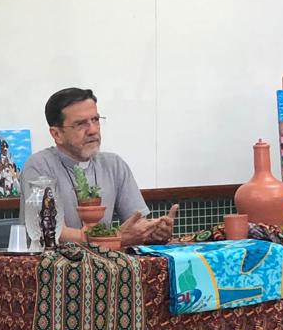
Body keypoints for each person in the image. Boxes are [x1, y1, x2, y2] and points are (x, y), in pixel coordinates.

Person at [19, 87, 178, 246]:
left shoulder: (114, 165)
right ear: (57, 134)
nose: (93, 130)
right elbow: (51, 231)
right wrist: (115, 237)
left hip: (106, 265)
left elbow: (135, 224)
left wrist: (152, 232)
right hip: (51, 266)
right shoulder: (39, 166)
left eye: (95, 120)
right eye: (81, 124)